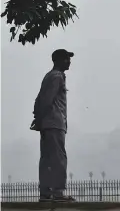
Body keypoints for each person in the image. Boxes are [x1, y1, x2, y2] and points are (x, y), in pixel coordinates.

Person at [30, 49, 76, 202]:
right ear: (59, 60)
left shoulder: (50, 77)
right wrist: (40, 118)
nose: (69, 62)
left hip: (48, 123)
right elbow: (47, 99)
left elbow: (39, 99)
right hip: (54, 123)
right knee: (58, 158)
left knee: (47, 159)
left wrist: (38, 118)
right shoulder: (56, 77)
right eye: (66, 59)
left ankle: (46, 192)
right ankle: (57, 192)